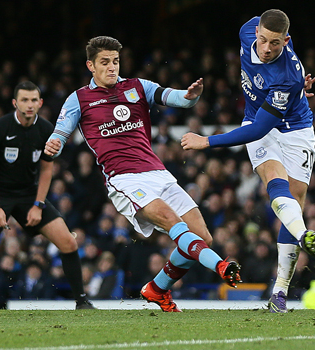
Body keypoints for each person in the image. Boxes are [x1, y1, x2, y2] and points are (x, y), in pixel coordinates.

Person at [44, 36, 241, 312]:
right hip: (125, 179)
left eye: (115, 61)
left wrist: (189, 96)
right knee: (176, 226)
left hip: (158, 172)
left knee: (202, 238)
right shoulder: (79, 99)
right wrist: (53, 144)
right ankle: (220, 265)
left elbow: (174, 97)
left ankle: (157, 289)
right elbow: (58, 136)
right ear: (90, 65)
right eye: (105, 62)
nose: (112, 67)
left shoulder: (137, 87)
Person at [180, 9, 315, 313]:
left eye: (275, 43)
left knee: (294, 202)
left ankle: (280, 290)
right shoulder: (247, 30)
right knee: (275, 182)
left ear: (285, 41)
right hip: (257, 118)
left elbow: (261, 128)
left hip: (295, 129)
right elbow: (257, 129)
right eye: (263, 40)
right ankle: (302, 235)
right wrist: (299, 86)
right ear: (255, 31)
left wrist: (206, 141)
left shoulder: (286, 77)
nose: (267, 48)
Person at [0, 81, 94, 309]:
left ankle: (82, 302)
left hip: (29, 194)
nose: (29, 105)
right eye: (24, 100)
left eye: (34, 100)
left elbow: (47, 169)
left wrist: (38, 204)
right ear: (15, 103)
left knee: (68, 242)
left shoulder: (46, 129)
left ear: (41, 103)